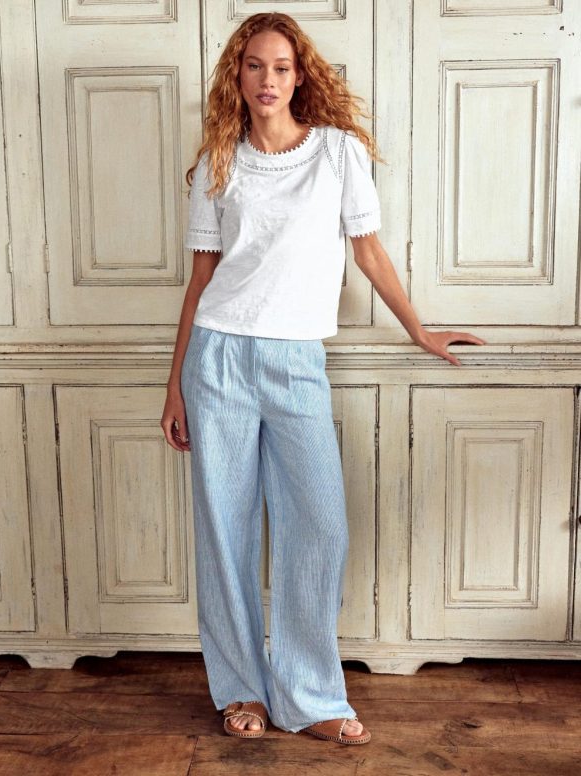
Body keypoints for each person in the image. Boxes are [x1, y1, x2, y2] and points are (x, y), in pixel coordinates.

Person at [161, 11, 485, 746]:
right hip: (218, 358)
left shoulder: (337, 152)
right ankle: (241, 690)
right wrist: (175, 383)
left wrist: (419, 330)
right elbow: (201, 278)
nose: (267, 79)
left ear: (299, 74)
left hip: (297, 362)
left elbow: (369, 253)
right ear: (237, 76)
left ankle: (308, 696)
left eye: (280, 66)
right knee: (224, 532)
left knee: (320, 527)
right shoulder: (219, 160)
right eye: (253, 66)